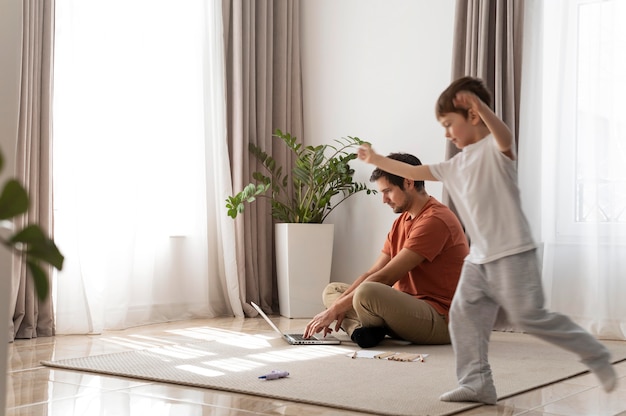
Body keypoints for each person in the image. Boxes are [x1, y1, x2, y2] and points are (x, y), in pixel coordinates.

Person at [357, 76, 618, 404]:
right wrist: (377, 159)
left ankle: (594, 353)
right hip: (480, 258)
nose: (447, 133)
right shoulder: (455, 165)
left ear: (474, 117)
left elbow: (505, 136)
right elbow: (415, 172)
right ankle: (477, 382)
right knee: (464, 316)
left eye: (450, 124)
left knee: (530, 318)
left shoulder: (496, 152)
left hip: (512, 253)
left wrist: (481, 106)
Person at [303, 152, 469, 349]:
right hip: (407, 309)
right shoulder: (402, 221)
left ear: (409, 182)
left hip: (442, 319)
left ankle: (367, 325)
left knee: (365, 292)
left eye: (387, 191)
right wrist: (337, 304)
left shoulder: (435, 220)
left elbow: (386, 278)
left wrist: (334, 310)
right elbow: (373, 272)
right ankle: (362, 332)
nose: (384, 199)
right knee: (333, 291)